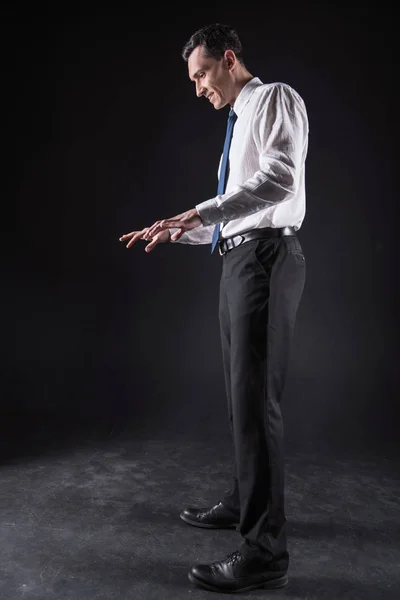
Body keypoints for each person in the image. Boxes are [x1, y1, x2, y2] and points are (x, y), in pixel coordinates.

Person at [119, 22, 308, 594]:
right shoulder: (235, 121)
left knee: (256, 400)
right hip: (238, 261)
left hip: (267, 260)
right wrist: (181, 228)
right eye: (193, 79)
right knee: (238, 397)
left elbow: (278, 181)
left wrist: (200, 213)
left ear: (228, 59)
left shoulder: (274, 99)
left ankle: (264, 552)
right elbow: (234, 213)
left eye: (202, 74)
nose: (198, 87)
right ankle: (244, 501)